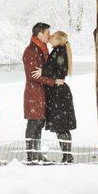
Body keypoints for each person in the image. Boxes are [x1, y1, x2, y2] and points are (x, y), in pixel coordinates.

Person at [32, 31, 77, 163]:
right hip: (57, 92)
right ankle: (67, 156)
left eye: (53, 36)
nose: (50, 37)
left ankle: (68, 156)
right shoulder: (58, 50)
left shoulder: (59, 52)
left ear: (58, 40)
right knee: (61, 126)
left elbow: (60, 70)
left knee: (61, 126)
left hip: (59, 94)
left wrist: (43, 71)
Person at [22, 23, 64, 164]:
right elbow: (33, 75)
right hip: (34, 94)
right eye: (47, 33)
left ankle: (37, 155)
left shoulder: (42, 49)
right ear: (40, 34)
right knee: (33, 124)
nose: (49, 35)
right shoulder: (31, 51)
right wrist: (53, 81)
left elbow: (44, 70)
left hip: (42, 93)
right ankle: (31, 156)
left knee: (39, 123)